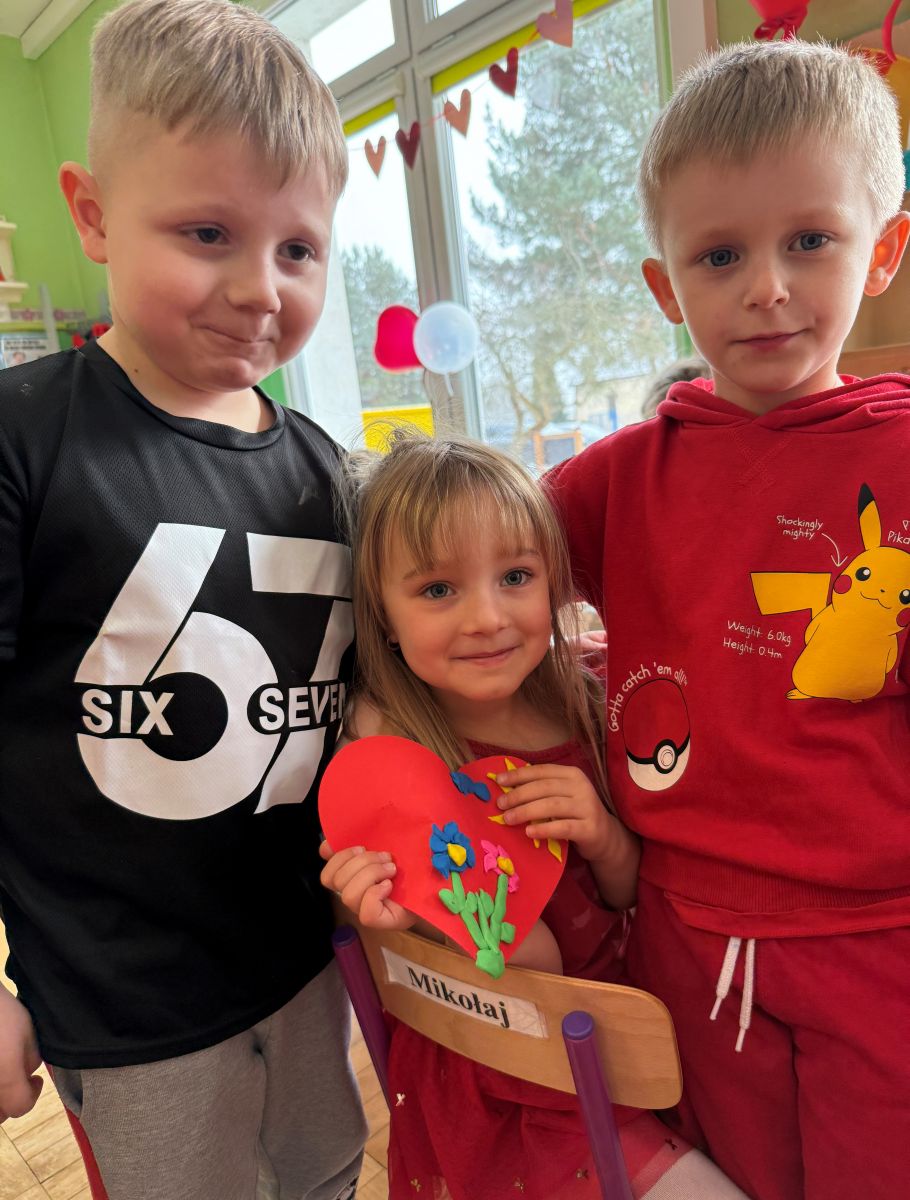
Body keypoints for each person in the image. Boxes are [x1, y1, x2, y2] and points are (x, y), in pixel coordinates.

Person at [0, 2, 367, 1197]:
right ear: (93, 215)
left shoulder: (324, 468)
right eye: (208, 233)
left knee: (325, 1173)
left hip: (304, 967)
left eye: (299, 251)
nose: (259, 289)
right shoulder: (24, 440)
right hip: (124, 1009)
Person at [545, 39, 910, 1200]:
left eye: (808, 240)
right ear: (666, 288)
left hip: (883, 938)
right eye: (718, 254)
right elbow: (464, 563)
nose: (766, 287)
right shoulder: (615, 478)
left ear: (883, 250)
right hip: (688, 937)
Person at [320, 434, 747, 1200]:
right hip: (516, 1071)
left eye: (515, 576)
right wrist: (394, 914)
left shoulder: (585, 699)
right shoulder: (390, 750)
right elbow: (513, 971)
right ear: (382, 616)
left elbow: (625, 892)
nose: (487, 617)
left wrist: (604, 834)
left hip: (638, 1023)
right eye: (438, 590)